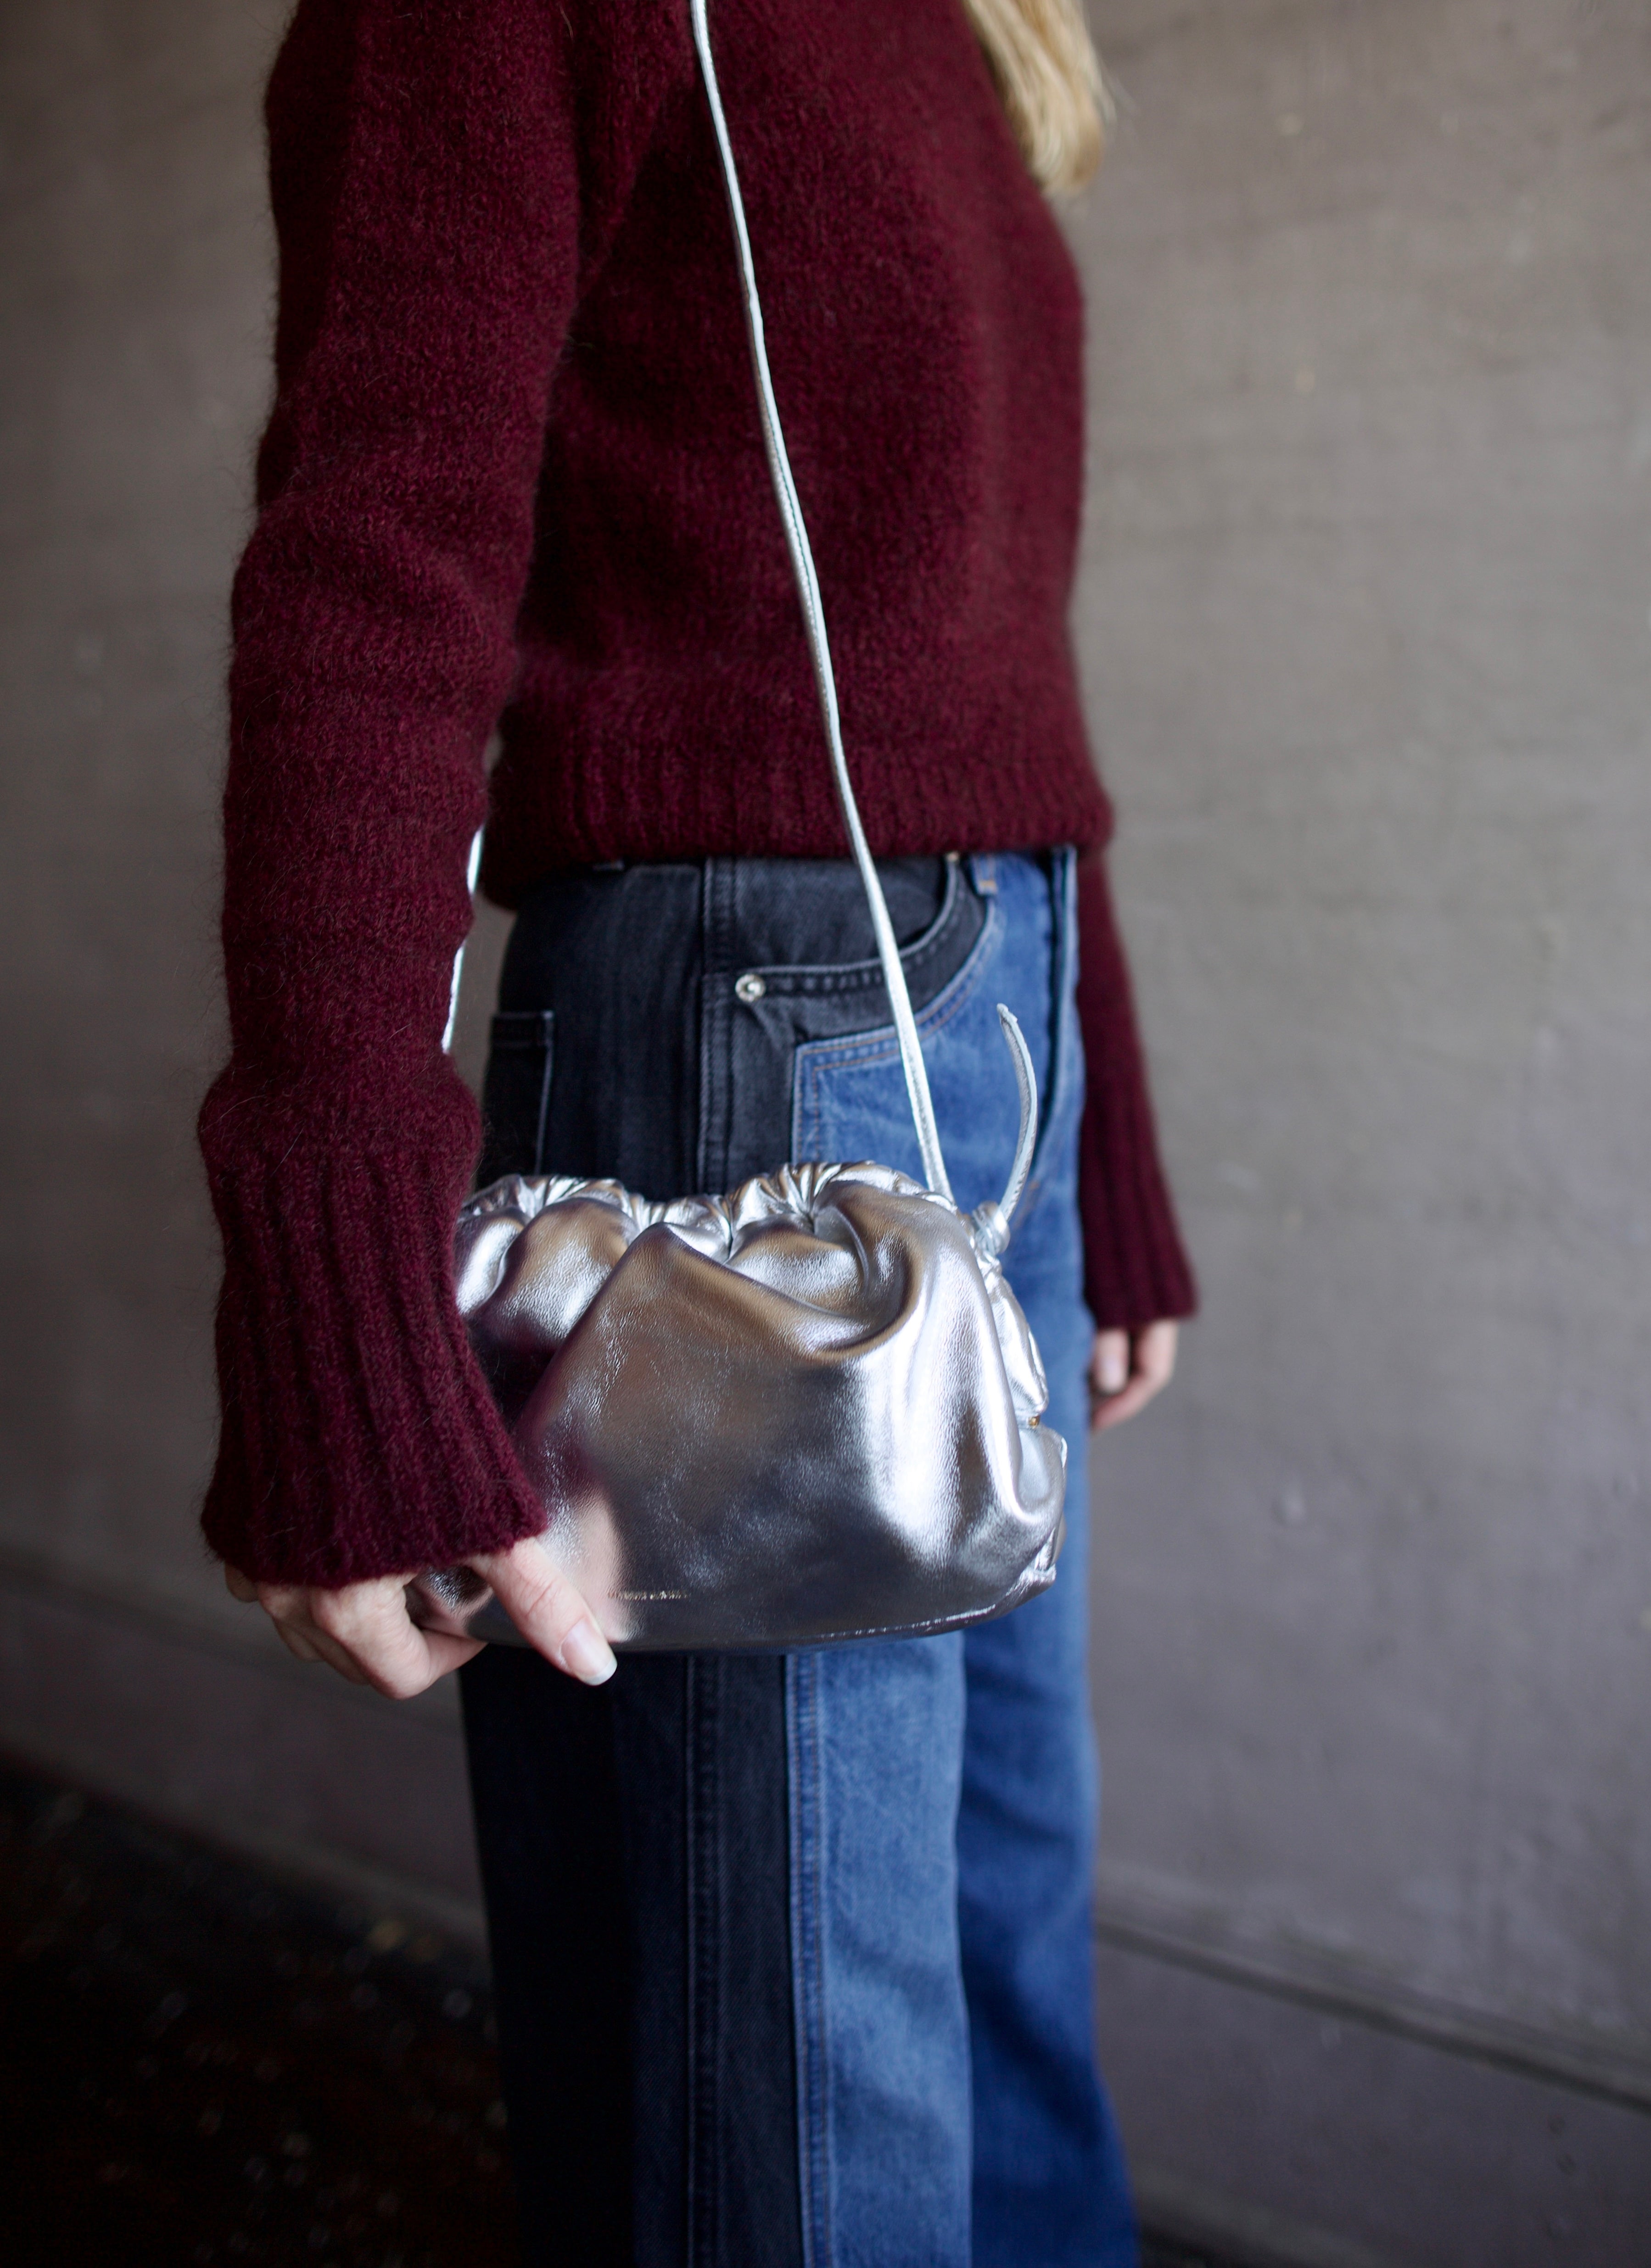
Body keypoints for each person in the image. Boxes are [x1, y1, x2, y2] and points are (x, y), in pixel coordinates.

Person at [205, 2, 1196, 2261]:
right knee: (789, 2093)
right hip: (729, 1062)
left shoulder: (956, 32)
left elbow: (969, 639)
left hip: (978, 1022)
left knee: (994, 1925)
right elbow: (379, 563)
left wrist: (1094, 1141)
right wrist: (326, 1288)